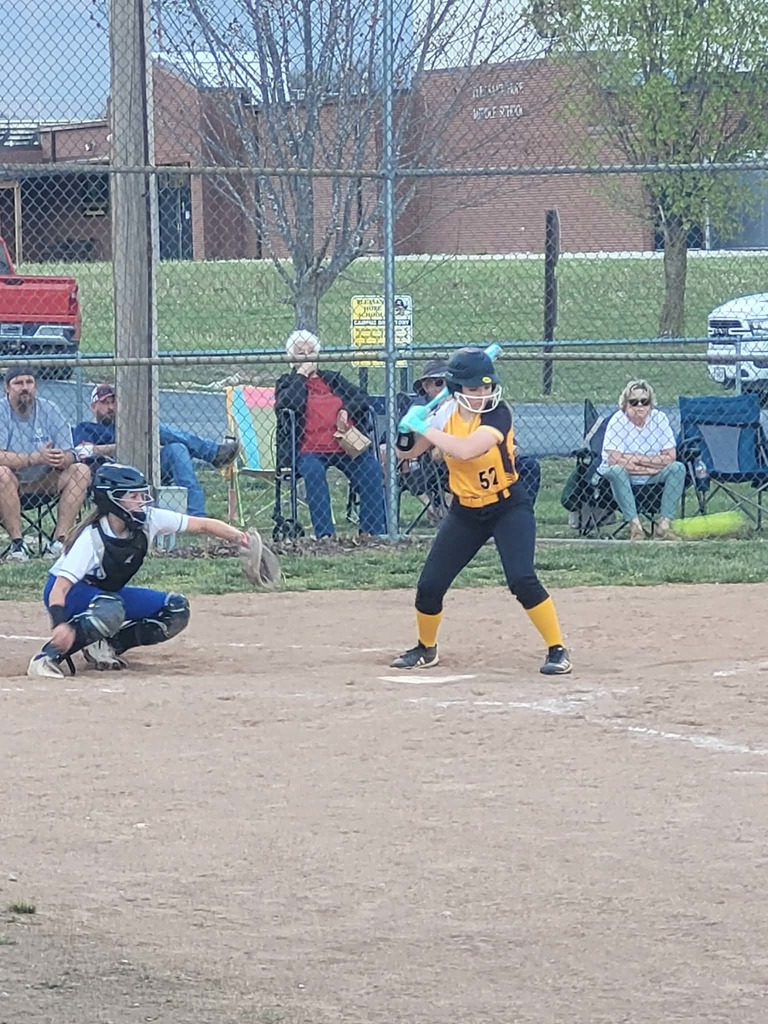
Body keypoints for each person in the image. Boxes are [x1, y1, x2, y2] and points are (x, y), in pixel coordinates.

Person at [391, 346, 571, 675]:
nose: (483, 394)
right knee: (430, 585)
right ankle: (425, 647)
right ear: (457, 389)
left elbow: (466, 450)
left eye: (486, 387)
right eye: (474, 388)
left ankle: (557, 649)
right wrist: (407, 430)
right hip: (465, 512)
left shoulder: (497, 413)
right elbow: (408, 454)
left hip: (507, 506)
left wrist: (426, 428)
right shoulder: (444, 413)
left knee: (521, 578)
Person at [27, 462, 250, 679]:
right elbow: (59, 589)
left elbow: (202, 525)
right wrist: (59, 624)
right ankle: (47, 657)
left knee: (176, 609)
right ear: (111, 500)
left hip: (105, 595)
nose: (141, 502)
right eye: (133, 496)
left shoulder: (149, 519)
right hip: (70, 594)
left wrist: (240, 538)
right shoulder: (92, 538)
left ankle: (106, 646)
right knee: (110, 609)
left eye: (142, 495)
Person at [275, 330, 387, 540]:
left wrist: (346, 410)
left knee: (371, 468)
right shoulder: (287, 383)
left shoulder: (333, 379)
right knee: (314, 473)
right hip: (309, 449)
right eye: (301, 352)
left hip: (344, 445)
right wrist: (301, 375)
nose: (308, 356)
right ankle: (325, 535)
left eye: (311, 351)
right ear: (291, 358)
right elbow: (289, 404)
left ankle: (371, 532)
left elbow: (362, 398)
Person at [72, 383, 239, 517]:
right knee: (152, 428)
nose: (110, 407)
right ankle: (213, 453)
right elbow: (83, 451)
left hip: (146, 462)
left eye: (113, 402)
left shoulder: (127, 426)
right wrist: (128, 445)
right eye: (104, 403)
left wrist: (141, 441)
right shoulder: (86, 428)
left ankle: (197, 517)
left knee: (176, 448)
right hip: (113, 474)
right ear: (93, 406)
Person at [0, 366, 91, 562]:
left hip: (44, 481)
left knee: (81, 470)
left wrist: (61, 458)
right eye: (18, 383)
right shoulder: (1, 412)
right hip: (9, 485)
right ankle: (18, 545)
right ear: (7, 388)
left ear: (36, 386)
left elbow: (71, 452)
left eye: (29, 382)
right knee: (2, 473)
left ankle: (59, 542)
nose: (25, 388)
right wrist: (36, 458)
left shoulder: (50, 409)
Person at [598, 379, 686, 541]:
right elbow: (615, 460)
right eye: (634, 402)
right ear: (625, 404)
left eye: (645, 401)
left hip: (654, 476)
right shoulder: (617, 421)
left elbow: (671, 456)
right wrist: (651, 465)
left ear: (650, 404)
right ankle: (636, 527)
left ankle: (664, 526)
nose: (640, 406)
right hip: (625, 476)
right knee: (617, 470)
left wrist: (636, 459)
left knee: (678, 468)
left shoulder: (660, 418)